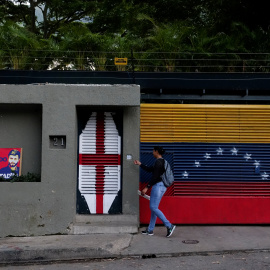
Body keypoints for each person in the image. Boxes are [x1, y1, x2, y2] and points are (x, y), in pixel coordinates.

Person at [134, 146, 176, 237]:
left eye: (153, 151)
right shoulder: (162, 162)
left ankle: (169, 226)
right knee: (154, 208)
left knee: (153, 207)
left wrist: (146, 187)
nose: (152, 152)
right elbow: (150, 170)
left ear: (157, 152)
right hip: (161, 186)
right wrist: (140, 164)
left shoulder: (158, 162)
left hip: (158, 186)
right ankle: (150, 230)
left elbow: (155, 177)